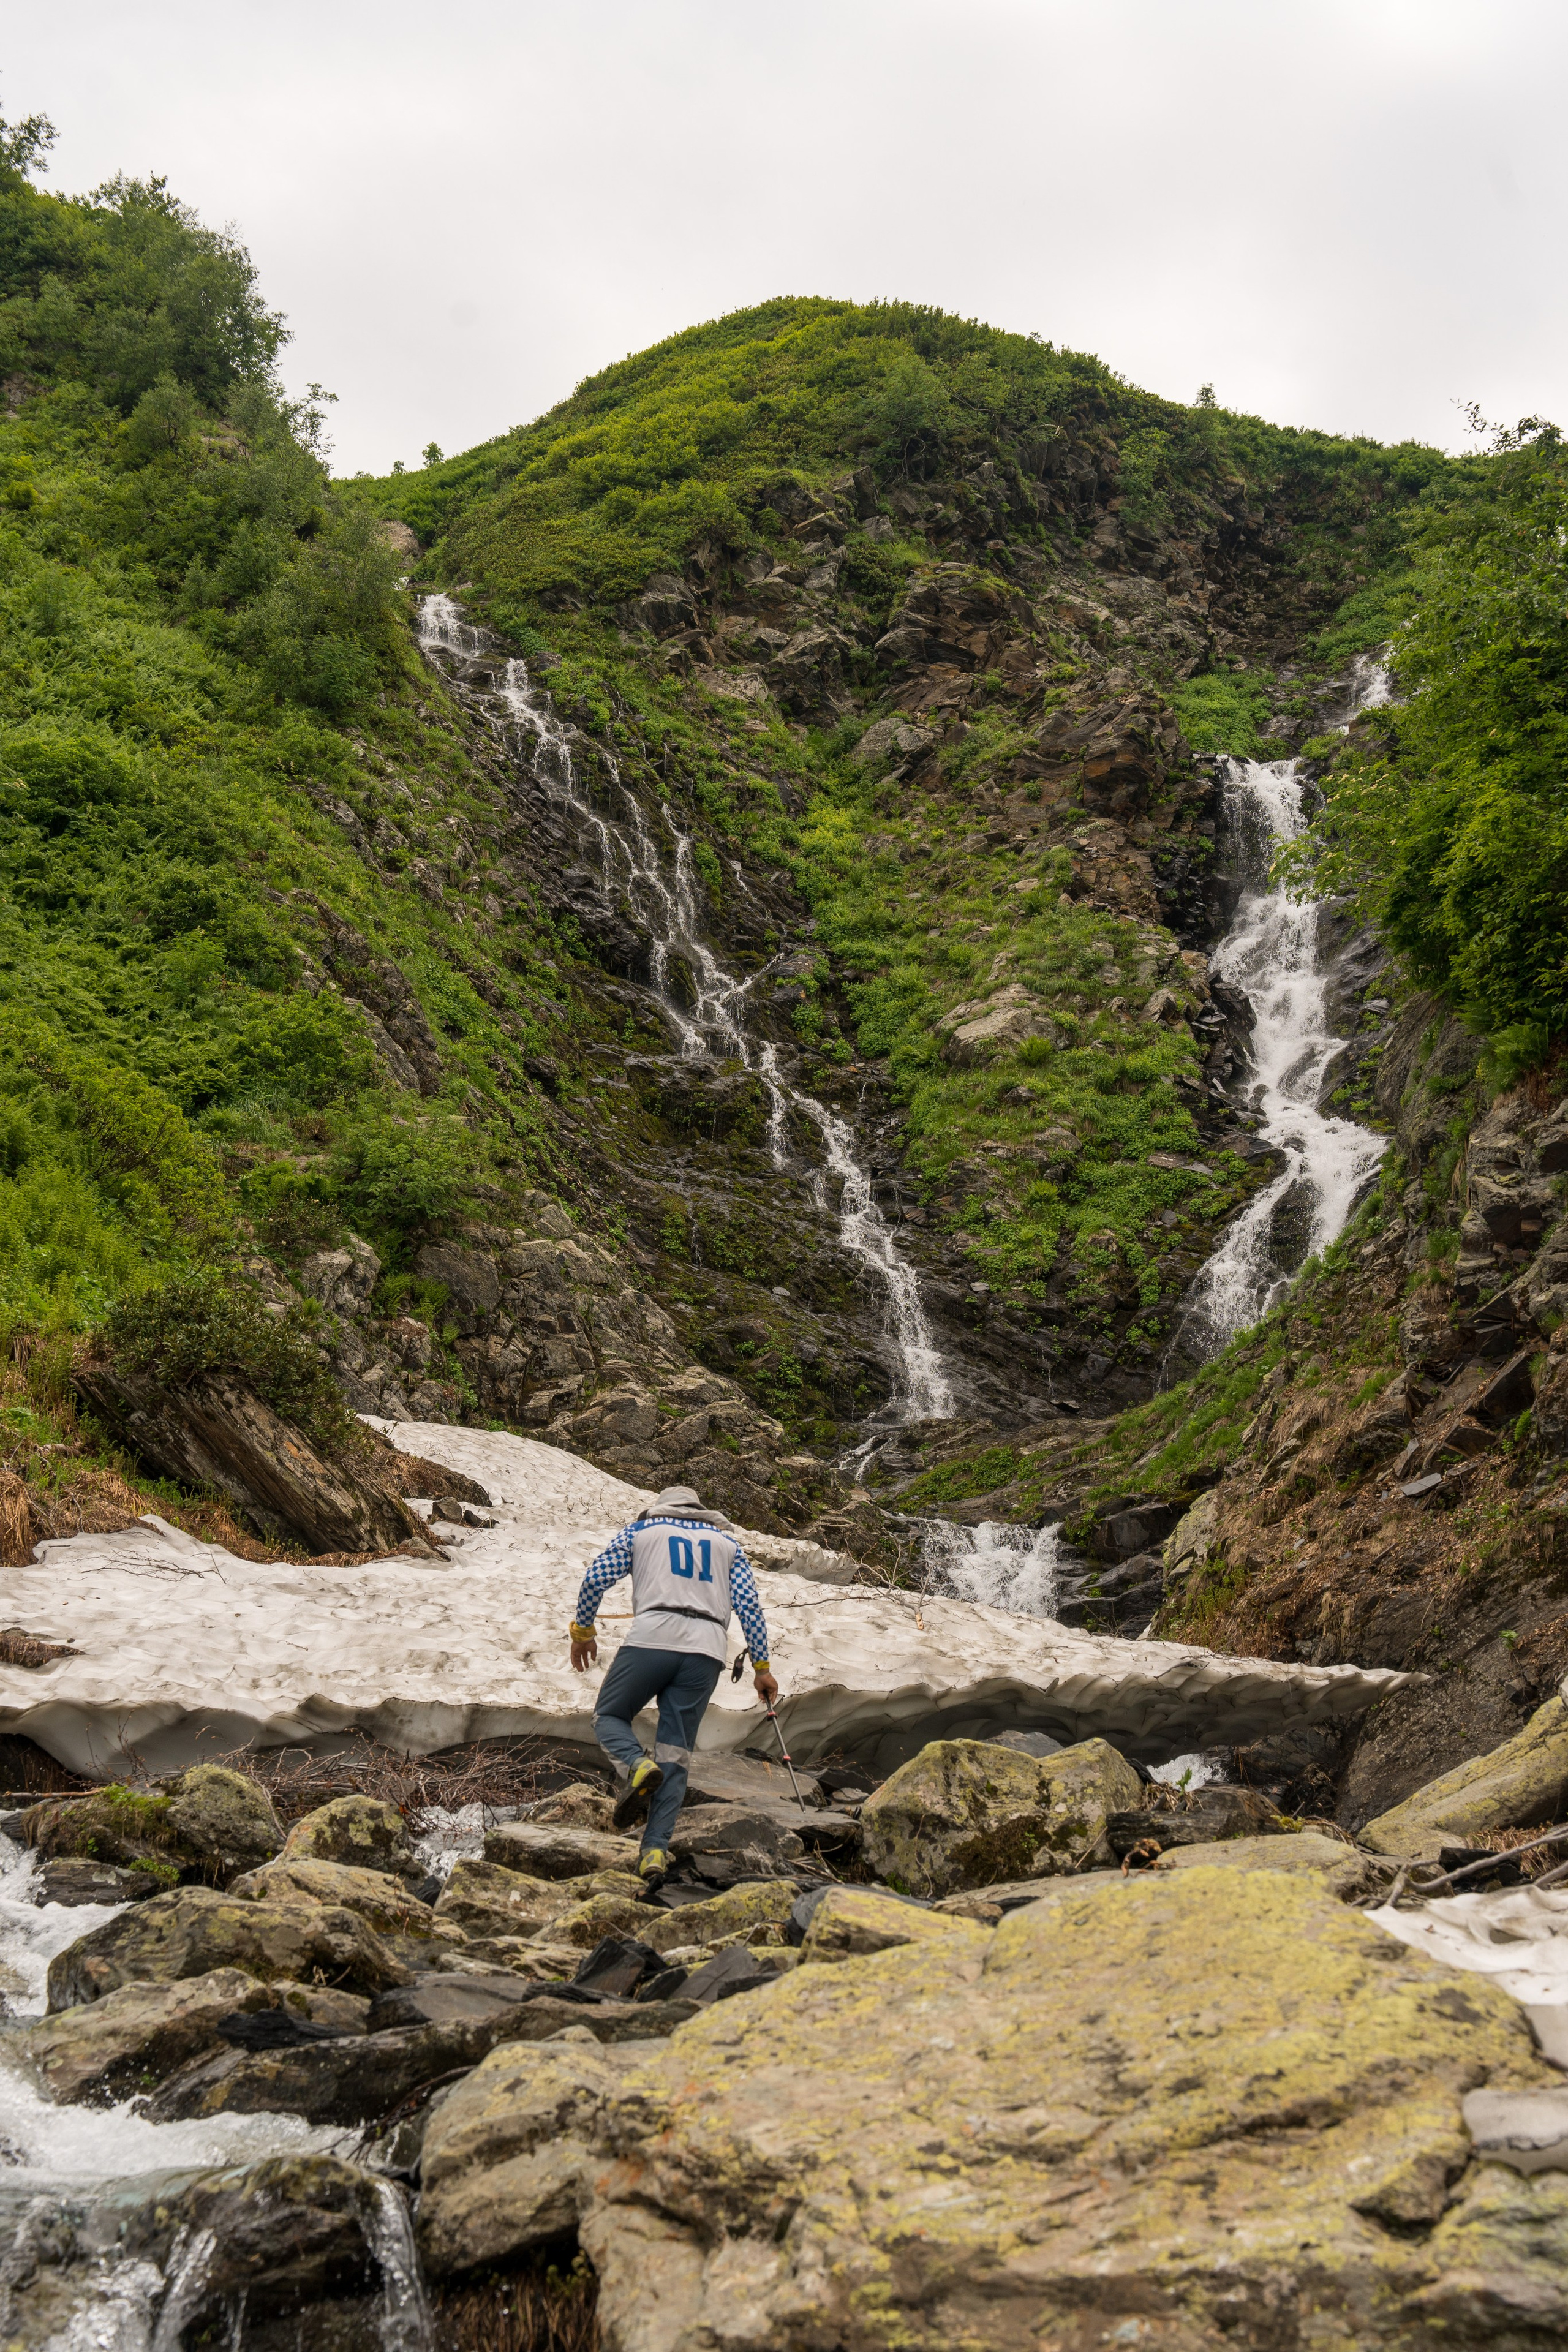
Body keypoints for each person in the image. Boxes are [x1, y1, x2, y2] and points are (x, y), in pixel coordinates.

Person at [570, 1483, 777, 1888]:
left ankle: (636, 1765)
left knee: (609, 1715)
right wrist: (762, 1667)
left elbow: (596, 1577)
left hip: (653, 1636)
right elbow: (750, 1606)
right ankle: (654, 1853)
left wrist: (583, 1630)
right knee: (676, 1752)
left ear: (662, 1505)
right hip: (706, 1650)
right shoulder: (727, 1544)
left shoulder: (641, 1532)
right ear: (699, 1508)